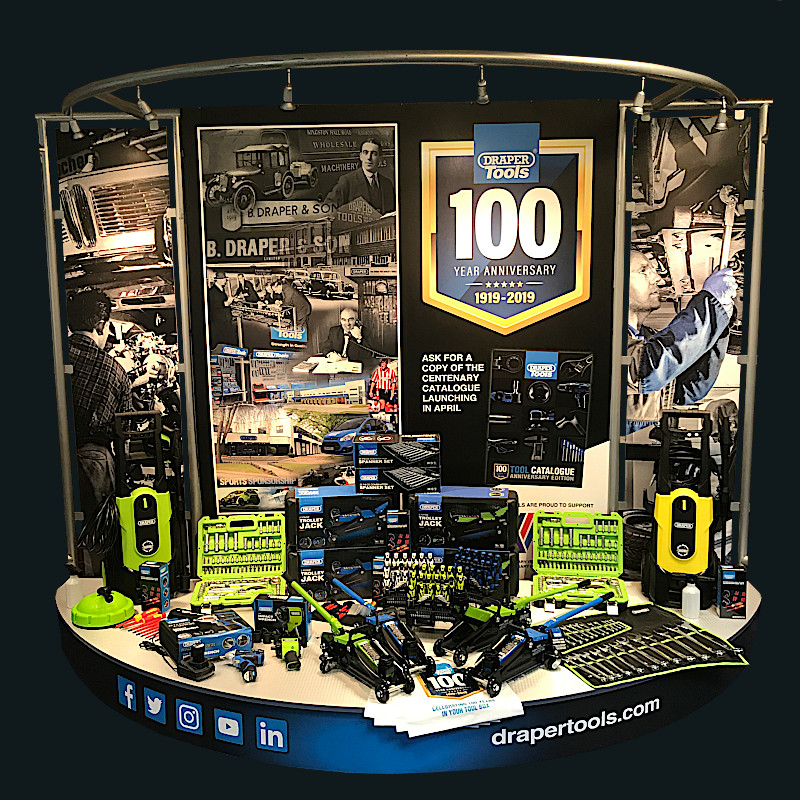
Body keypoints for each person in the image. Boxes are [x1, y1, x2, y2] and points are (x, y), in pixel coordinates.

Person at [626, 249, 737, 434]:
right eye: (643, 270)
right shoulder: (600, 336)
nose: (658, 279)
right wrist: (711, 304)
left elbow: (686, 390)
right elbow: (647, 367)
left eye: (654, 271)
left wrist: (721, 318)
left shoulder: (649, 338)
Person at [67, 289, 133, 574]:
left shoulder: (57, 354)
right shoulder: (115, 371)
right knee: (99, 535)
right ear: (100, 324)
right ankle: (98, 583)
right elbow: (125, 428)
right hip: (95, 459)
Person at [324, 138, 395, 214]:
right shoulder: (347, 181)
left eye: (373, 153)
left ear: (380, 158)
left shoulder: (387, 184)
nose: (369, 158)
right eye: (365, 152)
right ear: (361, 156)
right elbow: (328, 207)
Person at [206, 270, 237, 348]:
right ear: (219, 280)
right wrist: (228, 302)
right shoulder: (213, 292)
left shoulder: (220, 290)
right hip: (219, 321)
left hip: (223, 320)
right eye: (224, 279)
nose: (226, 281)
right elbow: (217, 305)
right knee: (221, 340)